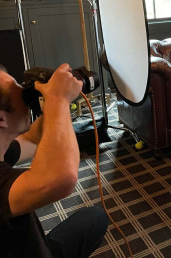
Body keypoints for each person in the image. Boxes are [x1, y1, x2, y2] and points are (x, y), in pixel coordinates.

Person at [0, 63, 109, 258]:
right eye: (17, 89)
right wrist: (59, 99)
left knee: (96, 218)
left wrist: (53, 103)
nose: (23, 93)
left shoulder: (2, 148)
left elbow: (32, 139)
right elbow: (61, 177)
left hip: (30, 245)